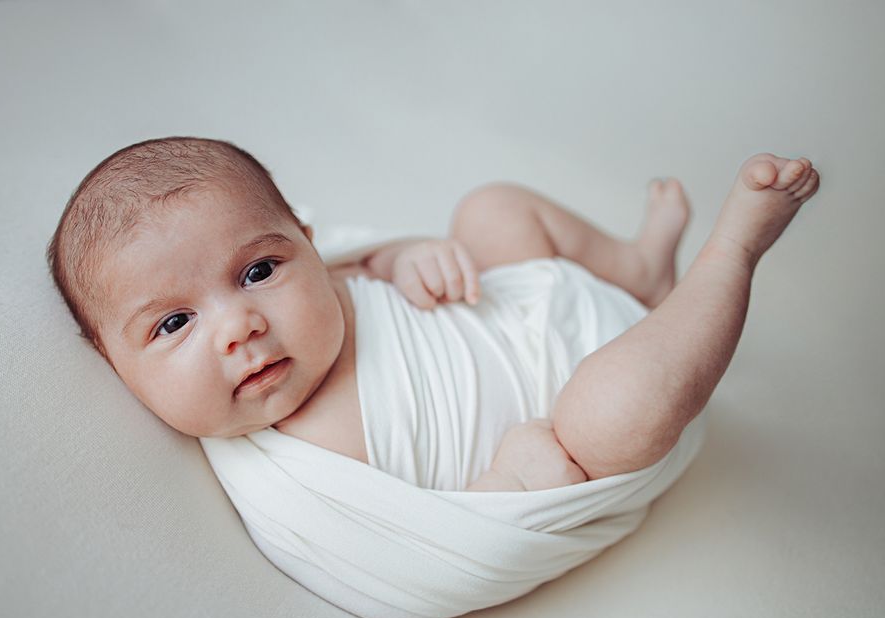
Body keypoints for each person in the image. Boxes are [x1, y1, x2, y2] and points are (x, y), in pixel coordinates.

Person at [46, 137, 819, 492]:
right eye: (173, 324)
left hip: (519, 300)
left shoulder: (327, 276)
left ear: (306, 246)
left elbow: (362, 253)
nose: (238, 324)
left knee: (486, 210)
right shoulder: (299, 481)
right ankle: (731, 257)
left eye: (257, 271)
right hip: (583, 393)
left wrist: (406, 253)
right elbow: (421, 566)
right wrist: (508, 484)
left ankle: (638, 270)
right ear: (113, 363)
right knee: (605, 416)